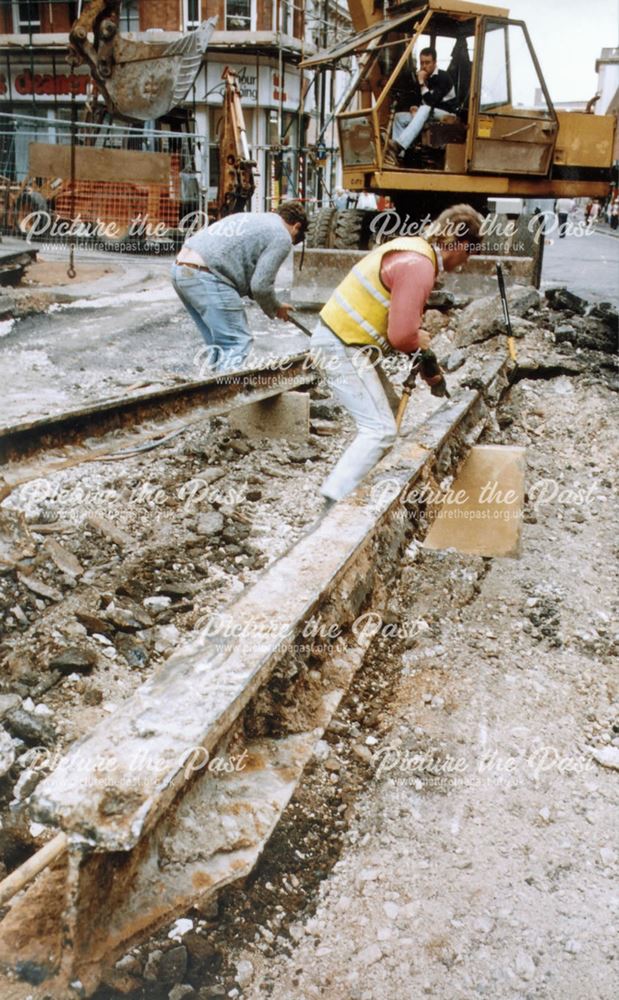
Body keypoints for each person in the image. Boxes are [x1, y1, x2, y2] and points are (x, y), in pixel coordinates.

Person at [311, 203, 483, 505]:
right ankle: (335, 500)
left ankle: (364, 486)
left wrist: (431, 372)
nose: (467, 261)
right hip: (341, 344)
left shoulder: (414, 250)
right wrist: (419, 339)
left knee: (389, 410)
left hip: (348, 342)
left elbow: (406, 335)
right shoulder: (419, 265)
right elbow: (402, 335)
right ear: (456, 242)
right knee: (379, 431)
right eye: (469, 251)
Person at [171, 201, 308, 372]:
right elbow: (260, 286)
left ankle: (210, 388)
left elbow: (249, 277)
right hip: (207, 274)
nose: (291, 242)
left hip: (180, 270)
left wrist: (275, 305)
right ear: (296, 226)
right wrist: (274, 308)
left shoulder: (255, 219)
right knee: (236, 341)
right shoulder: (282, 236)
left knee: (218, 342)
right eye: (295, 239)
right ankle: (224, 393)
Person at [385, 47, 457, 165]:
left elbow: (431, 102)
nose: (424, 66)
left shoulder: (443, 77)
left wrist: (422, 83)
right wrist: (413, 107)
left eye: (427, 63)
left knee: (425, 108)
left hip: (447, 114)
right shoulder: (423, 77)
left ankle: (399, 145)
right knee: (399, 117)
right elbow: (415, 98)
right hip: (428, 113)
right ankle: (398, 157)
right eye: (422, 62)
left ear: (435, 62)